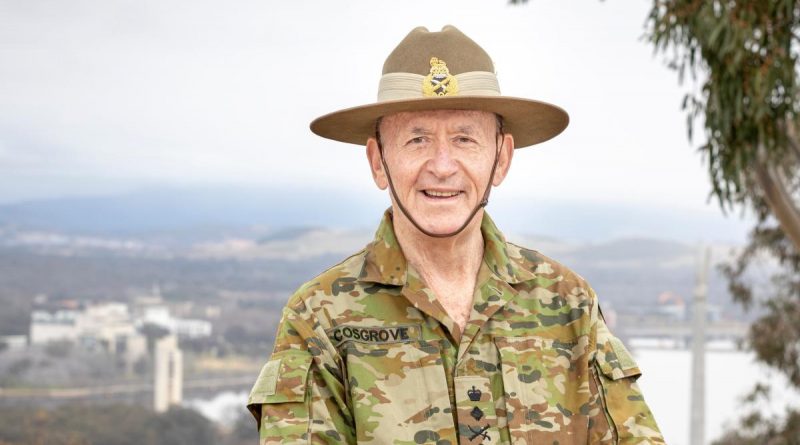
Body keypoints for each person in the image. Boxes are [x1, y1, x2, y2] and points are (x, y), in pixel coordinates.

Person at [247, 25, 665, 444]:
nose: (442, 165)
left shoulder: (568, 303)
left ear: (501, 159)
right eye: (417, 139)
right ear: (378, 162)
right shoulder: (320, 316)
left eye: (465, 139)